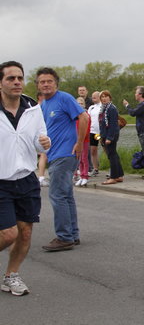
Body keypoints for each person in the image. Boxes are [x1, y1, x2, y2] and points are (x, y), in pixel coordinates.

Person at [0, 61, 51, 295]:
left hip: (26, 178)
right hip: (1, 180)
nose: (17, 82)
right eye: (11, 78)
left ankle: (11, 275)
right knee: (8, 233)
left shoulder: (33, 107)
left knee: (26, 232)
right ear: (0, 83)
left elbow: (39, 138)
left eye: (19, 78)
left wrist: (44, 143)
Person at [37, 67, 88, 252]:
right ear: (38, 85)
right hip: (54, 154)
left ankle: (64, 237)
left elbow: (83, 117)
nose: (46, 84)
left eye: (49, 81)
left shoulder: (64, 98)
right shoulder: (44, 105)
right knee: (66, 195)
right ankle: (72, 235)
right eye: (42, 81)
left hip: (65, 155)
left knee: (57, 195)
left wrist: (80, 143)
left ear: (56, 83)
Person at [123, 86, 144, 179]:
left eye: (136, 93)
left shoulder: (143, 104)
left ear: (140, 94)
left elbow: (133, 113)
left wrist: (127, 105)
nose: (135, 94)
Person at [99, 90, 124, 185]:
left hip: (111, 135)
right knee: (114, 154)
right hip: (106, 134)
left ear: (110, 98)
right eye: (102, 97)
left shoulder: (111, 108)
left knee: (111, 155)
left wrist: (109, 137)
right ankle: (119, 175)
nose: (104, 98)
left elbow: (113, 124)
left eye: (106, 96)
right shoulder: (104, 108)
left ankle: (113, 177)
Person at [75, 97, 91, 187]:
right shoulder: (75, 115)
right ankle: (81, 175)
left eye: (81, 103)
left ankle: (85, 176)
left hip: (84, 140)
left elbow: (87, 128)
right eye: (78, 104)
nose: (79, 105)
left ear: (84, 105)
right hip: (76, 140)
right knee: (79, 159)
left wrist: (82, 137)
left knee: (84, 158)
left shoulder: (86, 114)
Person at [87, 91, 101, 177]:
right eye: (92, 97)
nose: (93, 99)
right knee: (93, 150)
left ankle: (112, 168)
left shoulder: (102, 106)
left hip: (101, 132)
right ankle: (95, 168)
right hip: (93, 132)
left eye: (95, 97)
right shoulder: (91, 107)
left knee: (106, 149)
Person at [36, 92, 49, 187]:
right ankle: (41, 177)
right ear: (40, 97)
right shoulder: (38, 107)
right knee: (43, 155)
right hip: (44, 133)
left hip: (46, 133)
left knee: (44, 155)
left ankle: (41, 177)